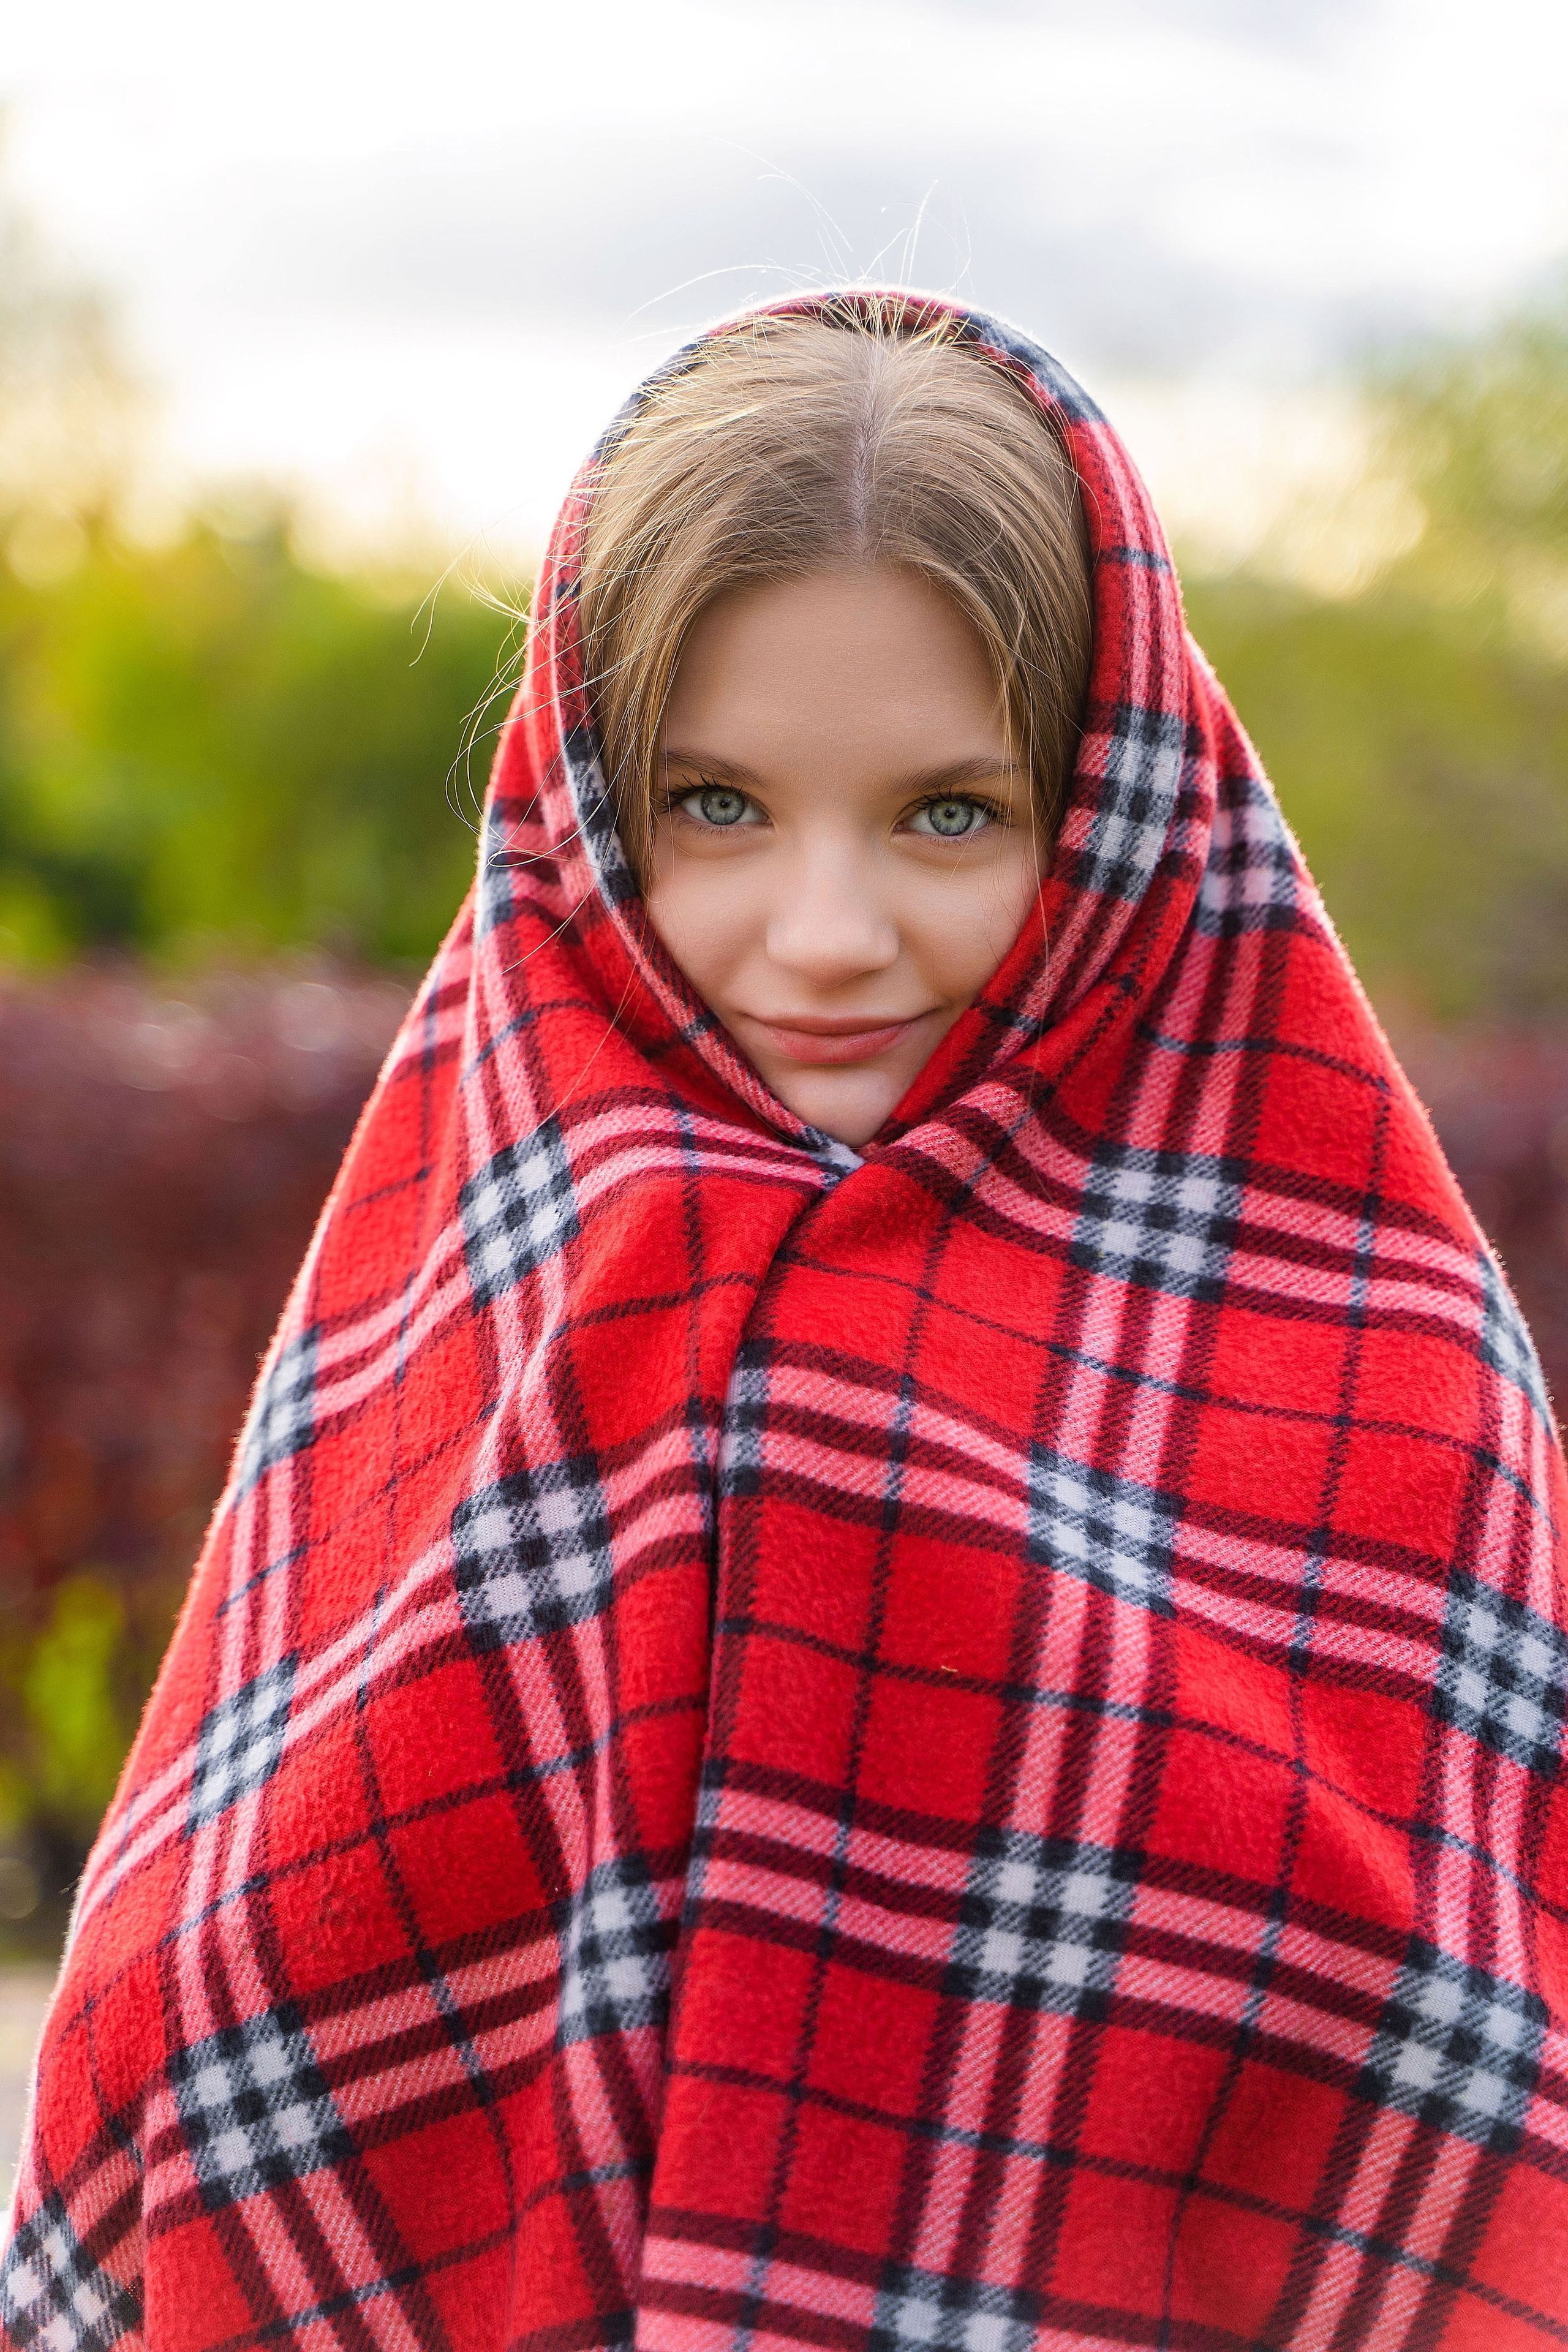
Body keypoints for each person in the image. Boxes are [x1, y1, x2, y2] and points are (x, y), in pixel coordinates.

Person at [4, 291, 1567, 2350]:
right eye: (719, 807)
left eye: (949, 814)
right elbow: (194, 2047)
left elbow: (1468, 2126)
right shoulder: (459, 1319)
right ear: (585, 805)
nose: (825, 939)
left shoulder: (1393, 1375)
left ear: (1116, 811)